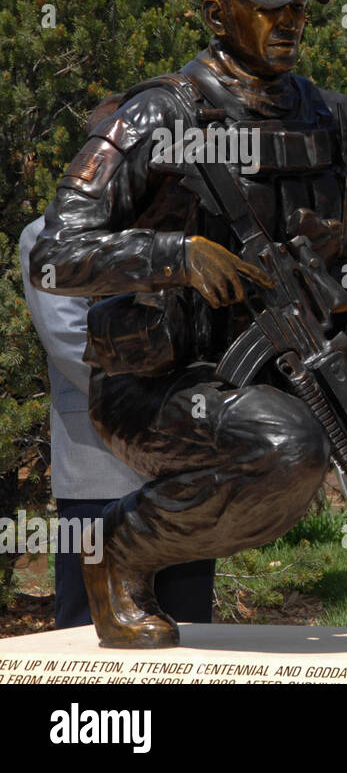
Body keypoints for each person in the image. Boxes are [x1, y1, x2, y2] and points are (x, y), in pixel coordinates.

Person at [29, 0, 347, 647]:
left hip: (311, 358)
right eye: (270, 7)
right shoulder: (157, 115)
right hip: (168, 385)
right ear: (217, 15)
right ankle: (120, 549)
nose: (291, 22)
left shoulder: (335, 117)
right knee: (287, 443)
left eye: (299, 8)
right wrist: (174, 254)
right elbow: (56, 253)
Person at [20, 215, 217, 630]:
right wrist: (170, 404)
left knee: (191, 632)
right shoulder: (47, 236)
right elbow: (71, 343)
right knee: (91, 631)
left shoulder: (187, 227)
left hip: (186, 469)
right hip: (100, 468)